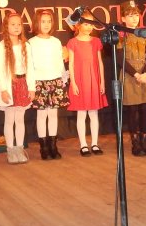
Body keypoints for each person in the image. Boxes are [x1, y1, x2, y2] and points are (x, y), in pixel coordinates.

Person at [0, 12, 33, 164]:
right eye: (13, 24)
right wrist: (3, 89)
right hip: (9, 85)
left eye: (19, 24)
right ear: (6, 27)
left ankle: (19, 148)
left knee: (20, 119)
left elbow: (30, 68)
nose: (16, 27)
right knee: (10, 119)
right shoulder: (1, 46)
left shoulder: (26, 45)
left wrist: (31, 88)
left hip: (22, 84)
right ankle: (10, 149)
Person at [67, 10, 107, 156]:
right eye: (86, 24)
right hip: (80, 81)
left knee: (94, 113)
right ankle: (83, 144)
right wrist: (73, 83)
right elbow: (71, 64)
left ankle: (94, 143)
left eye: (91, 24)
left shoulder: (96, 41)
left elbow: (100, 62)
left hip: (94, 80)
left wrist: (102, 82)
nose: (89, 27)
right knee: (82, 113)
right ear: (78, 25)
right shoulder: (73, 42)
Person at [27, 9, 67, 160]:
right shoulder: (31, 43)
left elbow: (59, 62)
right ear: (37, 23)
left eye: (49, 21)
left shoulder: (56, 41)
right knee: (42, 114)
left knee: (53, 114)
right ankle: (43, 147)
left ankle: (53, 146)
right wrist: (31, 85)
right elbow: (30, 66)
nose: (46, 24)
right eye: (43, 21)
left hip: (55, 80)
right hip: (39, 81)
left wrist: (63, 79)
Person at [119, 0, 146, 156]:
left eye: (136, 15)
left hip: (144, 74)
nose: (134, 18)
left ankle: (144, 140)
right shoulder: (120, 35)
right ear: (123, 18)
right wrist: (135, 74)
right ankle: (135, 142)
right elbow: (120, 58)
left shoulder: (144, 33)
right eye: (130, 15)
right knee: (132, 109)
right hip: (130, 75)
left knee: (144, 109)